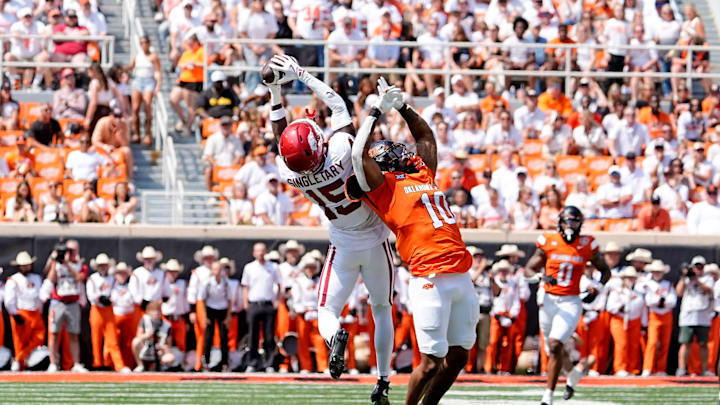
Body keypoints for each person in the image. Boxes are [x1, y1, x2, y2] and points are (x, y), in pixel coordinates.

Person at [266, 55, 396, 400]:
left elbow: (279, 140)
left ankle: (333, 336)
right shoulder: (340, 149)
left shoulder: (293, 175)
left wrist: (274, 94)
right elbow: (337, 104)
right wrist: (300, 74)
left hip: (342, 243)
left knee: (325, 310)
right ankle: (383, 380)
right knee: (381, 307)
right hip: (375, 237)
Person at [346, 78, 478, 405]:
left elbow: (425, 137)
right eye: (388, 151)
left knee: (460, 357)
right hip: (429, 277)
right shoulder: (384, 190)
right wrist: (375, 110)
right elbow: (358, 152)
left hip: (461, 274)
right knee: (432, 361)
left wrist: (403, 106)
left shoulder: (421, 174)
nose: (398, 151)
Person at [524, 206, 610, 404]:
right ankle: (572, 374)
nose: (570, 225)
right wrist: (541, 276)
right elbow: (529, 268)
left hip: (571, 301)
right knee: (552, 349)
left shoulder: (587, 243)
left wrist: (597, 288)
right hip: (548, 299)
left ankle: (548, 396)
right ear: (560, 222)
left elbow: (605, 271)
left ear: (580, 223)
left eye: (574, 221)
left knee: (555, 344)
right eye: (567, 221)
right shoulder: (548, 240)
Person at [45, 241, 88, 372]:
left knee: (74, 334)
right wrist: (55, 262)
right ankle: (53, 363)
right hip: (58, 302)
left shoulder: (80, 265)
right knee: (54, 333)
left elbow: (80, 278)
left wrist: (68, 264)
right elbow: (51, 280)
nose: (70, 253)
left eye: (72, 250)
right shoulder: (56, 264)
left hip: (73, 302)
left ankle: (76, 363)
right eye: (67, 250)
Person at [241, 243, 282, 372]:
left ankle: (269, 363)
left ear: (266, 252)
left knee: (269, 336)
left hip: (268, 304)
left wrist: (277, 300)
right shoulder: (249, 267)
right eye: (258, 251)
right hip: (254, 303)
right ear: (254, 253)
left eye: (262, 251)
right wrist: (245, 302)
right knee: (253, 335)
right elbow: (245, 286)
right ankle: (252, 363)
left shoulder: (273, 267)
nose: (260, 253)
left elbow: (280, 284)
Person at [87, 253, 129, 372]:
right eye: (101, 265)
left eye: (104, 265)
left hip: (109, 310)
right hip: (97, 310)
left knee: (112, 338)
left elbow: (115, 293)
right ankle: (97, 363)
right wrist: (100, 298)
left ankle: (118, 364)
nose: (103, 267)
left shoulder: (112, 279)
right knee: (96, 338)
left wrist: (110, 299)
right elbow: (91, 296)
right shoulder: (93, 278)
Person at [676, 256, 716, 377]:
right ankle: (682, 369)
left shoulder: (708, 278)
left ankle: (705, 369)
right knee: (685, 343)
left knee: (703, 343)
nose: (698, 269)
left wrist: (696, 279)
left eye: (700, 266)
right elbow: (679, 292)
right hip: (688, 315)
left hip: (703, 316)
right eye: (696, 266)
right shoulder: (686, 279)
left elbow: (709, 290)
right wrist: (685, 277)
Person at [5, 251, 45, 371]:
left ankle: (21, 358)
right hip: (21, 312)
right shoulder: (14, 279)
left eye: (27, 264)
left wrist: (39, 310)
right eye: (23, 265)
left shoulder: (37, 278)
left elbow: (39, 296)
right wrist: (14, 313)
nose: (26, 267)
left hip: (35, 312)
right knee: (19, 341)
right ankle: (19, 360)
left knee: (39, 337)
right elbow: (9, 299)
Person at [291, 253, 329, 373]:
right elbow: (295, 299)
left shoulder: (320, 281)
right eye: (308, 267)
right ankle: (305, 366)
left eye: (313, 267)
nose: (310, 269)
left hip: (316, 314)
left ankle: (323, 366)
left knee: (320, 340)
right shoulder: (299, 281)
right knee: (303, 340)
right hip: (303, 314)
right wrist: (301, 310)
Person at [641, 260, 676, 376]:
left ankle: (661, 369)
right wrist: (658, 301)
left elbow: (672, 301)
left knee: (665, 343)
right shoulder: (648, 284)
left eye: (659, 272)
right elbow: (648, 301)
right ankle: (648, 368)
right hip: (654, 315)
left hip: (666, 314)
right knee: (652, 342)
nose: (657, 274)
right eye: (655, 272)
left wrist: (663, 301)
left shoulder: (668, 284)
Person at [485, 259, 520, 374]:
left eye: (505, 270)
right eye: (501, 271)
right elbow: (493, 299)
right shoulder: (494, 282)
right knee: (493, 342)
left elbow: (516, 300)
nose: (503, 273)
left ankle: (504, 368)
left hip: (508, 316)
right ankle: (489, 367)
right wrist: (498, 313)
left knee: (507, 343)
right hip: (496, 316)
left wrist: (513, 314)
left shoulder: (513, 284)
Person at [187, 245, 218, 371]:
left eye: (211, 258)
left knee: (214, 335)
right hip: (201, 304)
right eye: (206, 258)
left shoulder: (217, 270)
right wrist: (193, 310)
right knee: (202, 335)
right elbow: (192, 292)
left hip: (215, 305)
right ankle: (199, 363)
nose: (208, 260)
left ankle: (211, 362)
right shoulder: (198, 272)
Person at [198, 260, 232, 371]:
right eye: (215, 269)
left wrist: (228, 316)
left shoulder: (226, 283)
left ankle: (225, 363)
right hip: (210, 309)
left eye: (219, 269)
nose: (217, 272)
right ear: (212, 271)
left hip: (222, 310)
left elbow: (230, 300)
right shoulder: (207, 283)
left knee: (223, 337)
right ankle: (206, 362)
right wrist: (205, 316)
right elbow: (202, 300)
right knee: (208, 337)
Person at [128, 35, 162, 145]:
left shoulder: (153, 57)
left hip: (149, 81)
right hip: (138, 81)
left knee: (147, 107)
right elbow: (130, 68)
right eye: (141, 43)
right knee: (135, 108)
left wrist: (158, 84)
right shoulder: (137, 56)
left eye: (145, 42)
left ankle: (148, 134)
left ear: (149, 44)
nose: (144, 45)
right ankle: (137, 134)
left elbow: (158, 71)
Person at [170, 33, 204, 135]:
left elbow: (206, 63)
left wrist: (194, 63)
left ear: (196, 42)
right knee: (173, 100)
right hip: (183, 81)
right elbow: (180, 63)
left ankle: (188, 127)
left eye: (191, 43)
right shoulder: (188, 52)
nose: (189, 45)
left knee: (190, 105)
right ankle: (184, 120)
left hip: (195, 82)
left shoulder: (201, 51)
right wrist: (186, 64)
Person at [91, 101, 133, 180]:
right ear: (111, 115)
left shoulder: (124, 124)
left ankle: (129, 178)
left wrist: (119, 132)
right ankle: (93, 177)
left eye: (119, 116)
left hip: (117, 149)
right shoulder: (102, 122)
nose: (118, 119)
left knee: (127, 151)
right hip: (103, 148)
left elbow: (126, 144)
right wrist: (105, 146)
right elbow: (94, 141)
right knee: (92, 149)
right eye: (115, 116)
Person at [6, 7, 46, 89]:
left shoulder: (38, 25)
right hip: (19, 57)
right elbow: (13, 33)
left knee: (44, 56)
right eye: (25, 17)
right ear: (21, 18)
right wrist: (19, 36)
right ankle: (14, 83)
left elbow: (45, 32)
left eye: (29, 16)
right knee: (8, 56)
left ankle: (36, 84)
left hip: (34, 57)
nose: (28, 19)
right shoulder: (16, 25)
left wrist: (44, 34)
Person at [202, 115, 244, 191]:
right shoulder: (212, 138)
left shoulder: (236, 139)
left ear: (231, 126)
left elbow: (239, 155)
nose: (225, 127)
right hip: (216, 165)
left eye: (228, 125)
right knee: (208, 170)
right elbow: (208, 155)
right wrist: (217, 165)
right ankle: (211, 194)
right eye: (223, 125)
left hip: (232, 165)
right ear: (220, 126)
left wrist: (232, 166)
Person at [131, 301, 175, 372]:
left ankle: (162, 366)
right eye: (153, 310)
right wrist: (148, 335)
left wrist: (162, 348)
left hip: (159, 351)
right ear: (148, 312)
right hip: (146, 349)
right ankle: (141, 365)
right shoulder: (145, 320)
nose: (156, 313)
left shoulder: (167, 325)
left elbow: (169, 346)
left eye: (158, 310)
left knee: (170, 357)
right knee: (135, 341)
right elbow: (138, 337)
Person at [109, 262, 136, 369]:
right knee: (113, 342)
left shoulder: (132, 285)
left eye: (124, 273)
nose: (122, 276)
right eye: (119, 273)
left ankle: (128, 365)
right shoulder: (112, 285)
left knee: (128, 343)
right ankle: (114, 365)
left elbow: (136, 299)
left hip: (129, 315)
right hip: (115, 316)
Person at [85, 62, 124, 135]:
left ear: (92, 71)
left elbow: (93, 102)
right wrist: (123, 111)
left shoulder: (94, 83)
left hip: (97, 112)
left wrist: (88, 118)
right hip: (108, 111)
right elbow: (120, 97)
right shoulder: (109, 81)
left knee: (95, 136)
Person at [160, 259, 188, 353]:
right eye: (170, 271)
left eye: (175, 271)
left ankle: (180, 364)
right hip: (166, 318)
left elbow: (185, 302)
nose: (172, 274)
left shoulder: (182, 284)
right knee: (166, 342)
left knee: (181, 343)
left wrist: (186, 320)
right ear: (166, 272)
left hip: (179, 318)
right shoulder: (162, 284)